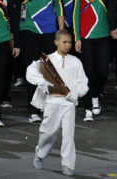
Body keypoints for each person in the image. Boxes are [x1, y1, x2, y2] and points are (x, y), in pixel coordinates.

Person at [11, 0, 64, 122]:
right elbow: (15, 13)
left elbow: (59, 5)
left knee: (51, 71)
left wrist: (61, 31)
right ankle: (33, 109)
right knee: (33, 71)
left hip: (50, 32)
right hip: (28, 32)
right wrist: (16, 39)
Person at [27, 29, 88, 176]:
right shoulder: (47, 60)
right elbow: (31, 70)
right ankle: (40, 152)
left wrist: (77, 93)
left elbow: (83, 82)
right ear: (56, 42)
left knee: (68, 135)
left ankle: (68, 164)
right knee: (48, 132)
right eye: (64, 42)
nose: (68, 45)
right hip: (52, 102)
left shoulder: (76, 62)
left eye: (70, 42)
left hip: (68, 104)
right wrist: (42, 82)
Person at [72, 0, 113, 121]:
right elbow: (75, 14)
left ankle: (96, 93)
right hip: (86, 38)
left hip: (104, 36)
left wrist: (114, 29)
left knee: (103, 71)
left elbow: (112, 10)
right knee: (88, 72)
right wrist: (77, 38)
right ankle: (89, 106)